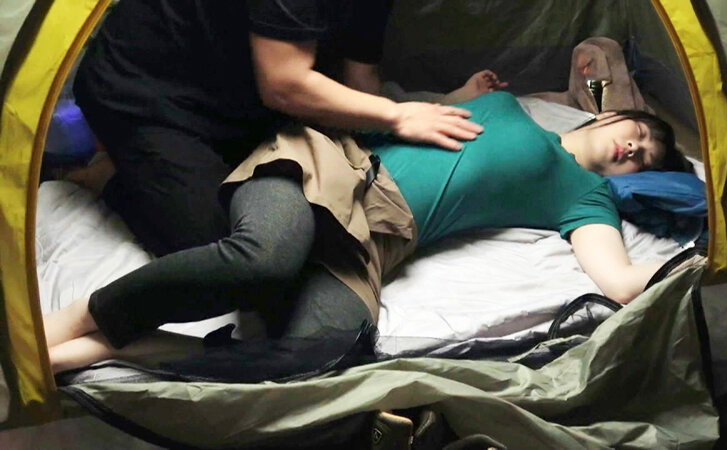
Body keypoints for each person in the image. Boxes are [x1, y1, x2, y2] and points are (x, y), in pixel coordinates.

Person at [45, 90, 684, 374]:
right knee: (264, 258)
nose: (635, 147)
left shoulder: (584, 194)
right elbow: (402, 113)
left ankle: (115, 349)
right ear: (610, 116)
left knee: (328, 354)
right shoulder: (506, 104)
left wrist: (704, 255)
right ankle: (74, 320)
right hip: (331, 166)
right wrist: (462, 93)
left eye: (647, 157)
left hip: (375, 240)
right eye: (639, 131)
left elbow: (619, 280)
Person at [67, 0, 483, 257]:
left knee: (294, 200)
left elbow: (360, 76)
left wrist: (413, 118)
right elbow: (284, 84)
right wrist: (399, 116)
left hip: (236, 87)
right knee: (218, 246)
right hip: (146, 90)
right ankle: (106, 176)